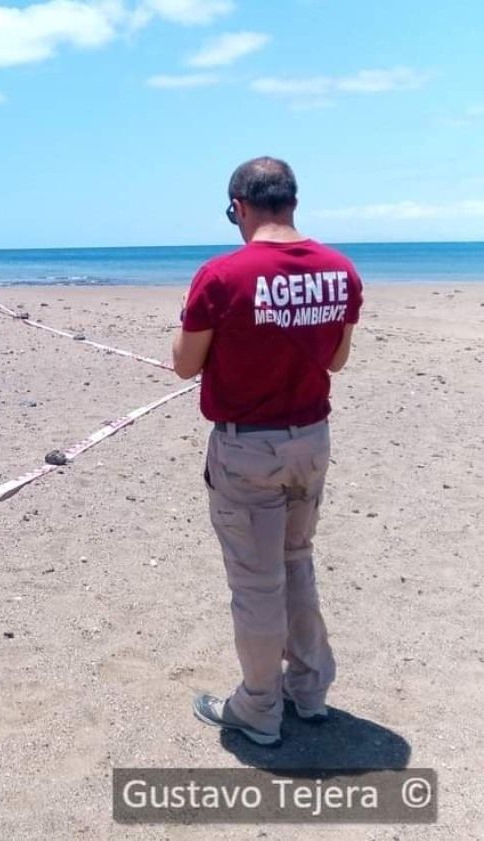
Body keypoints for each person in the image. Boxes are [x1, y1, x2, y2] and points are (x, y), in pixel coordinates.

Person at [172, 157, 363, 747]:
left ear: (240, 206)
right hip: (311, 440)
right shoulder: (341, 271)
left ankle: (258, 707)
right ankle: (308, 690)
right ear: (293, 201)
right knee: (295, 561)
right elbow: (336, 359)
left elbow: (184, 363)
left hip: (249, 447)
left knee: (257, 584)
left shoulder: (222, 275)